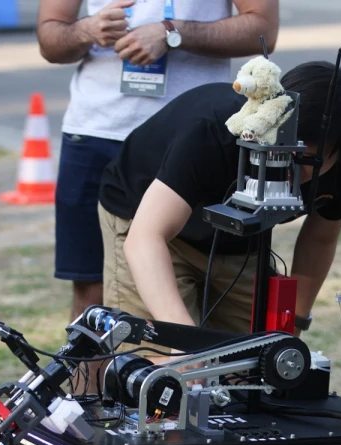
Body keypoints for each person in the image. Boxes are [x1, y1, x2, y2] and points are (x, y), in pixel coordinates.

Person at [98, 61, 341, 445]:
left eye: (313, 161)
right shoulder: (215, 132)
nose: (297, 168)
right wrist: (184, 354)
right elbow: (146, 239)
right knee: (166, 383)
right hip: (146, 222)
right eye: (291, 152)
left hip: (241, 240)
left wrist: (291, 327)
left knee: (254, 374)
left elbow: (318, 239)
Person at [38, 0, 278, 325]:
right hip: (96, 132)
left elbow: (263, 30)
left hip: (194, 140)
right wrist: (86, 30)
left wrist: (172, 33)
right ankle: (93, 378)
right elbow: (50, 39)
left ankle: (186, 371)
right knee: (93, 302)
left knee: (194, 297)